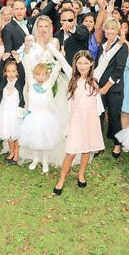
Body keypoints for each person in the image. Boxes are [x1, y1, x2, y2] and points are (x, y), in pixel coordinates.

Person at [50, 48, 105, 195]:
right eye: (79, 63)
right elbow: (60, 59)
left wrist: (119, 43)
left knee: (86, 148)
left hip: (90, 119)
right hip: (76, 119)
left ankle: (81, 174)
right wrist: (48, 44)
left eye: (85, 63)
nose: (82, 66)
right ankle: (61, 179)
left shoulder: (95, 77)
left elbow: (107, 59)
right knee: (71, 151)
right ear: (75, 64)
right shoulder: (71, 75)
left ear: (91, 63)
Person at [19, 59, 62, 173]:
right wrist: (26, 54)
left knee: (45, 139)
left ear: (47, 76)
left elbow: (56, 72)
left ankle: (45, 161)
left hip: (46, 117)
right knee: (34, 139)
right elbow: (27, 68)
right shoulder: (31, 82)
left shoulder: (49, 84)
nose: (40, 77)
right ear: (34, 75)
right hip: (33, 116)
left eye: (44, 75)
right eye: (38, 74)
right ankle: (35, 159)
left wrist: (60, 58)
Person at [94, 19, 129, 157]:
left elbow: (119, 69)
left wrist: (106, 87)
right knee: (99, 115)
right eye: (107, 28)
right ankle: (98, 143)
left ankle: (117, 144)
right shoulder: (102, 45)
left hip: (114, 88)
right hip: (99, 87)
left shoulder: (122, 46)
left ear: (118, 30)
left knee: (114, 116)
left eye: (113, 29)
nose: (109, 31)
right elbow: (97, 65)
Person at [0, 53, 25, 164]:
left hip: (15, 112)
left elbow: (23, 72)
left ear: (17, 72)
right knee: (9, 133)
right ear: (5, 72)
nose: (11, 74)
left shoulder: (20, 82)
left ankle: (16, 154)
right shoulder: (3, 82)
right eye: (8, 71)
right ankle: (11, 152)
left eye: (14, 71)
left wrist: (18, 60)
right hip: (5, 111)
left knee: (16, 133)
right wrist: (2, 60)